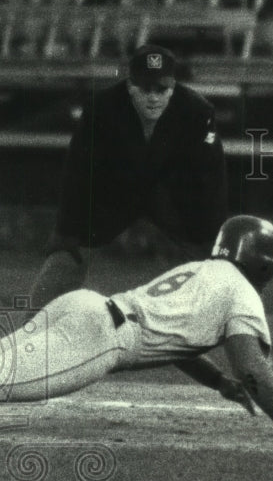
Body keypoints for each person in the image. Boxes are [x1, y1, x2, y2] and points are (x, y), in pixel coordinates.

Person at [0, 215, 273, 438]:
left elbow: (175, 339)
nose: (269, 278)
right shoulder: (241, 292)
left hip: (80, 308)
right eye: (269, 268)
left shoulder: (201, 270)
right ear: (260, 262)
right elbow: (251, 368)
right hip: (100, 335)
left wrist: (218, 382)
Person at [29, 43, 228, 310]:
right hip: (115, 189)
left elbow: (210, 177)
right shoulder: (101, 107)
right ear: (129, 85)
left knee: (212, 261)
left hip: (169, 190)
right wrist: (66, 230)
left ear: (174, 87)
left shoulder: (198, 111)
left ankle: (219, 325)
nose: (154, 97)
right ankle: (30, 327)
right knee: (69, 251)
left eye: (162, 89)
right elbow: (78, 170)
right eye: (146, 89)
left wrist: (210, 234)